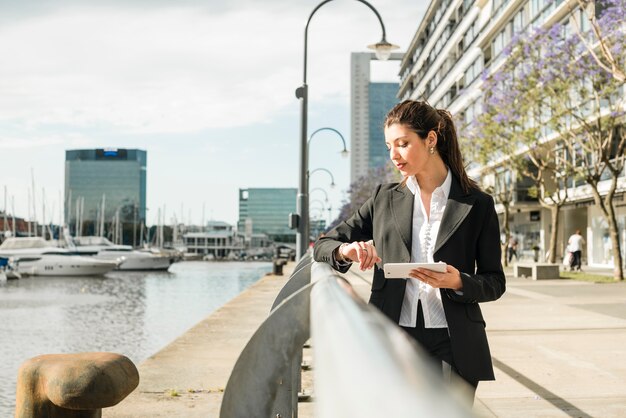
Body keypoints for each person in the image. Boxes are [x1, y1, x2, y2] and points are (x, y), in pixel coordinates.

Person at [314, 100, 506, 402]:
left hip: (455, 339)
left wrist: (458, 282)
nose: (394, 155)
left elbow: (495, 281)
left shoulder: (477, 204)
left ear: (430, 139)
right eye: (390, 145)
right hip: (394, 333)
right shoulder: (384, 198)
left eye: (403, 144)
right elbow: (324, 245)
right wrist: (347, 250)